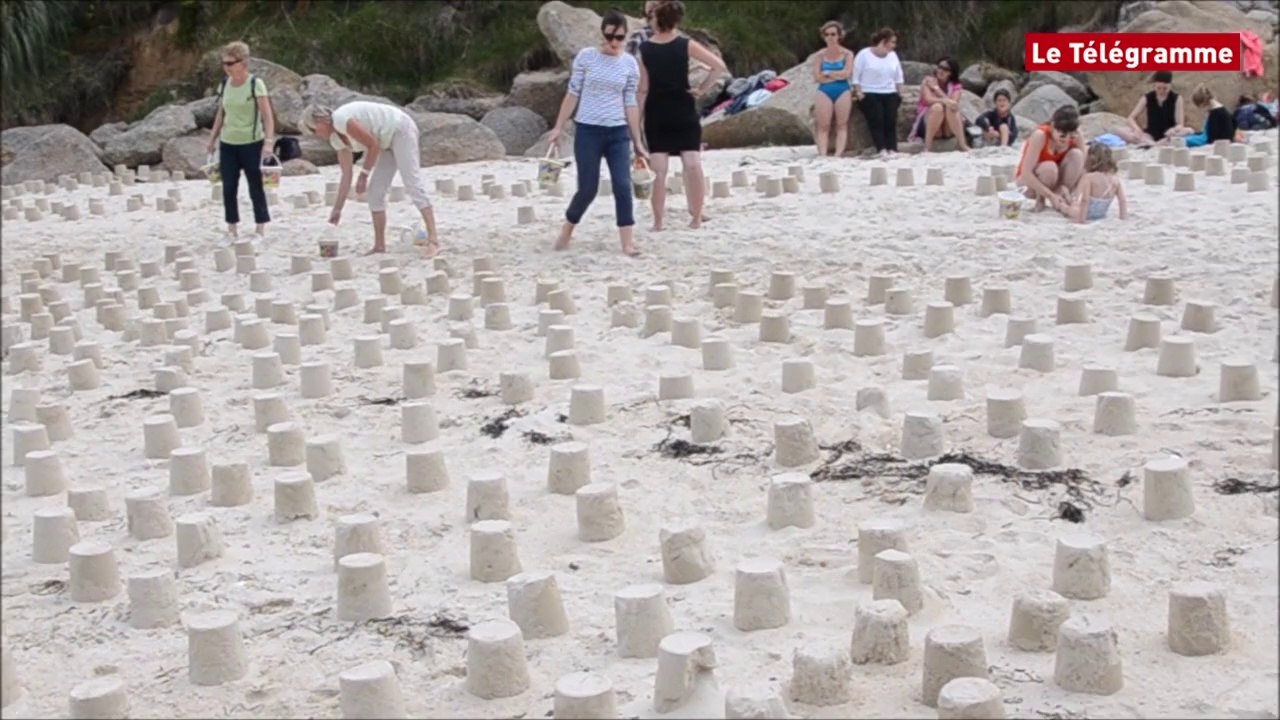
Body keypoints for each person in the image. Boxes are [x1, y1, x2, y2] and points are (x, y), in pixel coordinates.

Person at [547, 9, 647, 256]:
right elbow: (573, 93)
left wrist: (638, 141)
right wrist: (558, 127)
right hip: (588, 130)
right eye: (610, 36)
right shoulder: (586, 57)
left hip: (618, 132)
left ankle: (627, 241)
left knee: (623, 185)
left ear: (625, 37)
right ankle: (567, 228)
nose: (614, 43)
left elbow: (631, 103)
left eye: (620, 38)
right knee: (587, 188)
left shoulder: (629, 64)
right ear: (601, 34)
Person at [301, 101, 441, 257]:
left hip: (399, 128)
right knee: (375, 193)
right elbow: (346, 175)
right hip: (385, 143)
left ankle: (433, 240)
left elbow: (372, 145)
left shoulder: (341, 119)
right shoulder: (336, 140)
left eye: (315, 129)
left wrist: (364, 174)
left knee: (412, 183)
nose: (316, 134)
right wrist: (337, 209)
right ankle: (379, 245)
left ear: (321, 121)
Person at [638, 0, 728, 230]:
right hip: (683, 107)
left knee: (659, 169)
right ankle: (696, 218)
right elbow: (717, 66)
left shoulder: (645, 49)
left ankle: (658, 222)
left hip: (656, 111)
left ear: (656, 20)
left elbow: (643, 88)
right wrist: (702, 89)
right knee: (692, 164)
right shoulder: (685, 44)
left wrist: (636, 120)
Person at [206, 41, 275, 240]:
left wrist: (269, 142)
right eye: (224, 63)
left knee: (255, 185)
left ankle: (260, 227)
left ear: (243, 62)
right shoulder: (224, 83)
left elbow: (267, 116)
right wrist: (212, 138)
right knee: (228, 187)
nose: (226, 67)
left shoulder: (256, 84)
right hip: (228, 142)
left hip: (252, 142)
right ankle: (232, 228)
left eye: (230, 63)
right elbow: (221, 112)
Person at [1016, 105, 1085, 212]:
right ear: (1053, 126)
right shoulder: (1040, 136)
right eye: (1062, 136)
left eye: (1070, 136)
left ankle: (1062, 196)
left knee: (1077, 155)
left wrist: (1075, 194)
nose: (1067, 139)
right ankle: (1041, 200)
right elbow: (1026, 173)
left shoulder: (1077, 136)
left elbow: (1083, 169)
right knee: (1049, 167)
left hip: (1058, 182)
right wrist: (1050, 195)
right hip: (1031, 184)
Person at [853, 27, 904, 157]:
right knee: (877, 119)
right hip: (870, 91)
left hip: (889, 91)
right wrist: (859, 93)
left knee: (890, 120)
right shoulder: (864, 54)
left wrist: (899, 93)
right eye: (892, 42)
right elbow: (856, 76)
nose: (894, 45)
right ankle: (881, 148)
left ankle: (892, 148)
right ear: (883, 41)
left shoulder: (893, 56)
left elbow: (898, 75)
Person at [811, 21, 855, 158]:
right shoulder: (819, 55)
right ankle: (823, 154)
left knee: (842, 124)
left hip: (842, 89)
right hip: (824, 90)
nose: (830, 37)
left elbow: (847, 73)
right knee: (823, 125)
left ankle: (838, 154)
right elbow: (817, 77)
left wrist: (829, 73)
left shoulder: (847, 54)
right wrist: (837, 74)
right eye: (827, 34)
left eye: (833, 34)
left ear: (839, 36)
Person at [1055, 143, 1126, 224]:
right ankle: (1068, 197)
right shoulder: (1115, 180)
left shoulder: (1089, 178)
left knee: (1066, 208)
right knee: (1072, 201)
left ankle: (1063, 202)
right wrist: (1123, 217)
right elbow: (1122, 201)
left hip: (1084, 212)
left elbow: (1085, 200)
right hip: (1101, 214)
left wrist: (1081, 220)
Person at [910, 56, 967, 152]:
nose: (941, 71)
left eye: (946, 69)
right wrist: (943, 100)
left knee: (951, 108)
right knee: (937, 107)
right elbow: (928, 100)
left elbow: (954, 104)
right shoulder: (928, 81)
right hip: (930, 122)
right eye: (940, 67)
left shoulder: (956, 86)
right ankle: (927, 147)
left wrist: (937, 89)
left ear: (951, 73)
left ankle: (963, 144)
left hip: (947, 127)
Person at [1119, 71, 1191, 146]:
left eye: (1165, 88)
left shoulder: (1177, 98)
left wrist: (1174, 130)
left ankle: (1152, 145)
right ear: (1154, 85)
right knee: (1120, 131)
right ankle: (1155, 144)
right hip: (1150, 135)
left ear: (1170, 86)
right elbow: (1131, 118)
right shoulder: (1147, 97)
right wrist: (1137, 129)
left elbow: (1180, 124)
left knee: (1189, 130)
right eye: (1159, 88)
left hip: (1168, 136)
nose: (1161, 91)